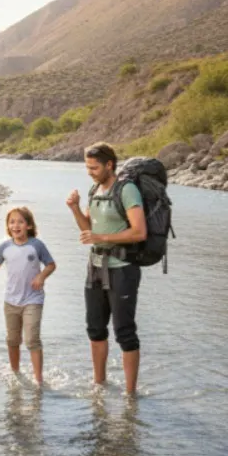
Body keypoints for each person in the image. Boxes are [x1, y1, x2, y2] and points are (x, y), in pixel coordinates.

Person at [67, 142, 147, 395]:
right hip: (95, 267)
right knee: (95, 328)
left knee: (124, 331)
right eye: (87, 167)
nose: (89, 171)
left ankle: (130, 394)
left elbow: (139, 232)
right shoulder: (94, 190)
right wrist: (74, 209)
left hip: (123, 268)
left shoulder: (127, 190)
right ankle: (98, 384)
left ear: (109, 164)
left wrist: (102, 239)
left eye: (94, 167)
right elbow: (88, 230)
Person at [0, 206, 57, 385]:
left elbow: (50, 265)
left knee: (32, 339)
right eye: (12, 222)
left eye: (20, 222)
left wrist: (41, 276)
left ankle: (38, 380)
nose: (15, 225)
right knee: (12, 339)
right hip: (11, 300)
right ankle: (16, 373)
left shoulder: (36, 245)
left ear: (29, 226)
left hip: (33, 299)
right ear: (8, 226)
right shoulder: (4, 246)